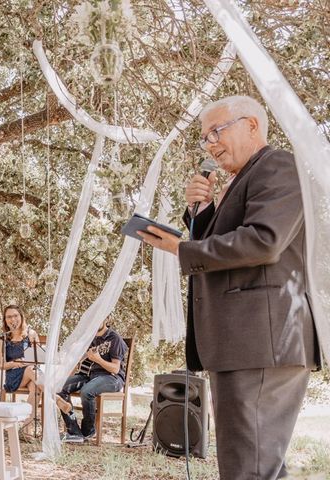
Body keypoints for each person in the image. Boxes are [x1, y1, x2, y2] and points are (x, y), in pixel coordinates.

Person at [138, 95, 319, 480]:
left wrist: (181, 249)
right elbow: (228, 248)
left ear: (252, 125)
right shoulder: (243, 180)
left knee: (248, 469)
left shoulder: (279, 167)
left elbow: (263, 241)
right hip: (245, 345)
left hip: (261, 343)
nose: (210, 145)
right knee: (255, 466)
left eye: (216, 132)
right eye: (204, 138)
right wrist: (200, 213)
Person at [55, 320, 128, 443]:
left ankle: (88, 432)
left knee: (87, 391)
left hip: (111, 378)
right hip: (89, 376)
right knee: (60, 387)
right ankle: (74, 432)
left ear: (106, 319)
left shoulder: (114, 338)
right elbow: (79, 363)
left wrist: (98, 359)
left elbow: (115, 369)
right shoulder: (89, 338)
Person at [0, 304, 41, 431]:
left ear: (21, 316)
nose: (12, 319)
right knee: (31, 370)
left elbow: (38, 359)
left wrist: (28, 362)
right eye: (8, 317)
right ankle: (56, 397)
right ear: (5, 320)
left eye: (15, 315)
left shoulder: (31, 334)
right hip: (14, 377)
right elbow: (1, 365)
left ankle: (27, 428)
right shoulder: (2, 339)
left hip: (32, 374)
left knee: (36, 388)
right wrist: (16, 363)